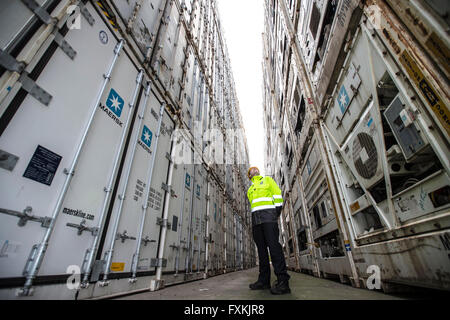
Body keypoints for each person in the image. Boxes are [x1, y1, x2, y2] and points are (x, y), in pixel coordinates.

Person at [247, 166, 290, 295]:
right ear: (249, 176)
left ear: (258, 172)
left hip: (269, 219)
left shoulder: (267, 180)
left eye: (255, 169)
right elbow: (253, 206)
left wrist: (275, 213)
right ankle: (263, 281)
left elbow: (277, 195)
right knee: (261, 251)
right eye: (251, 170)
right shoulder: (249, 190)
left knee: (274, 248)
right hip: (256, 222)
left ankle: (283, 282)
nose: (254, 170)